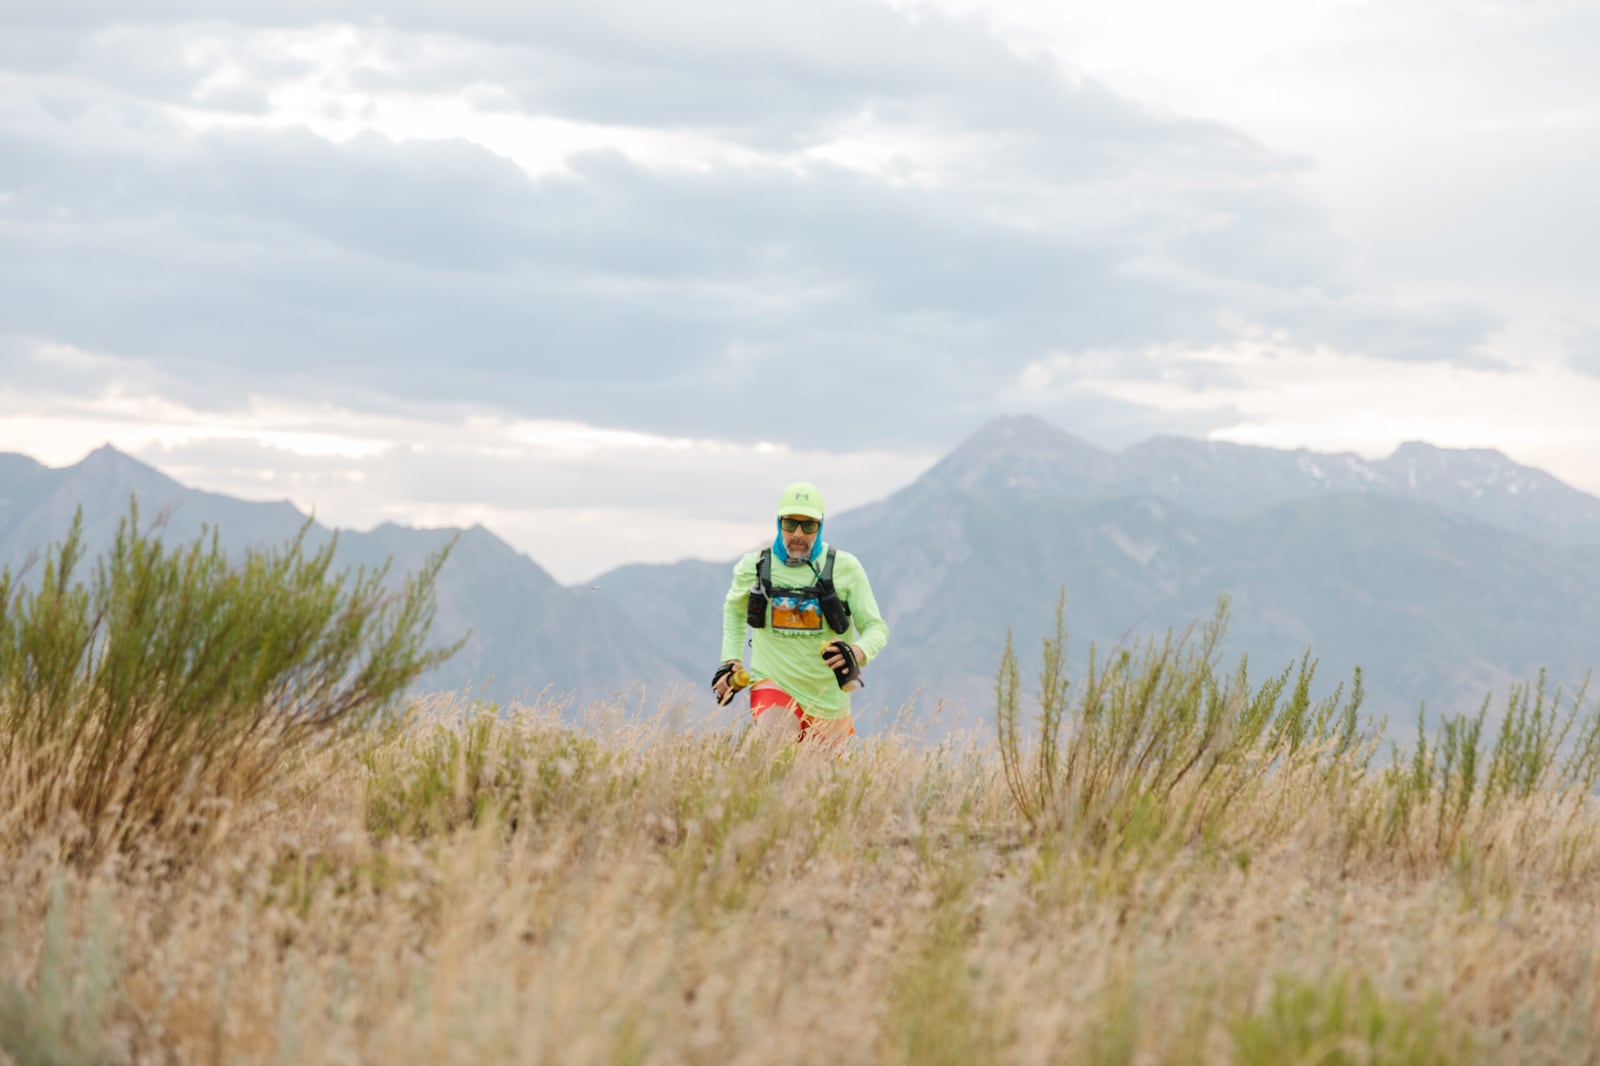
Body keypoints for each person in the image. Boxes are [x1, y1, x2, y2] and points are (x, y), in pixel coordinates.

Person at [713, 481, 889, 747]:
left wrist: (857, 652)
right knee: (778, 746)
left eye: (808, 525)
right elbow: (735, 611)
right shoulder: (754, 566)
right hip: (772, 685)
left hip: (828, 700)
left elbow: (876, 628)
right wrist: (731, 661)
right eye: (789, 523)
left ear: (820, 525)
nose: (798, 533)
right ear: (778, 523)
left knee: (815, 783)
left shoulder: (846, 568)